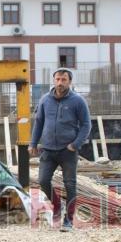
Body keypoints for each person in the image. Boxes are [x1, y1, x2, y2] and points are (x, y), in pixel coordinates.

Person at [29, 68, 91, 231]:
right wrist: (33, 143)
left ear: (69, 82)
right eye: (57, 79)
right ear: (54, 80)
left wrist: (75, 144)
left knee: (70, 185)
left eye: (64, 80)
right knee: (43, 180)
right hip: (48, 150)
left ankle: (68, 220)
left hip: (68, 151)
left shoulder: (78, 101)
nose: (60, 83)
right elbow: (39, 122)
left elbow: (86, 125)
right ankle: (57, 205)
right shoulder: (44, 100)